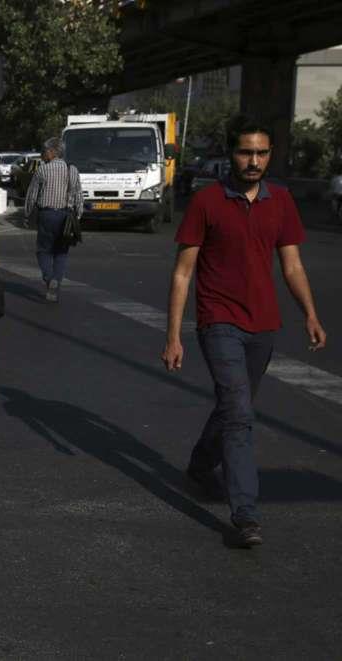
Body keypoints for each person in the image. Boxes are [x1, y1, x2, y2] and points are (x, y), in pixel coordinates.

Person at [162, 117, 327, 548]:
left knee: (234, 406)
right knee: (239, 415)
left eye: (261, 153)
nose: (253, 161)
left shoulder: (282, 201)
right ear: (230, 153)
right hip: (218, 321)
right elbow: (183, 273)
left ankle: (200, 465)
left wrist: (309, 313)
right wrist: (173, 335)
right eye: (245, 152)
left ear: (270, 155)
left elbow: (291, 264)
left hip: (264, 324)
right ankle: (246, 514)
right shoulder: (207, 201)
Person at [24, 137, 82, 303]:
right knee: (61, 252)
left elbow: (32, 194)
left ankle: (49, 278)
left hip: (47, 215)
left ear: (51, 152)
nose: (43, 155)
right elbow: (78, 194)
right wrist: (78, 215)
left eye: (44, 152)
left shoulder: (42, 170)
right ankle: (56, 280)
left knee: (43, 250)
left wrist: (27, 214)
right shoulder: (72, 170)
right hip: (65, 216)